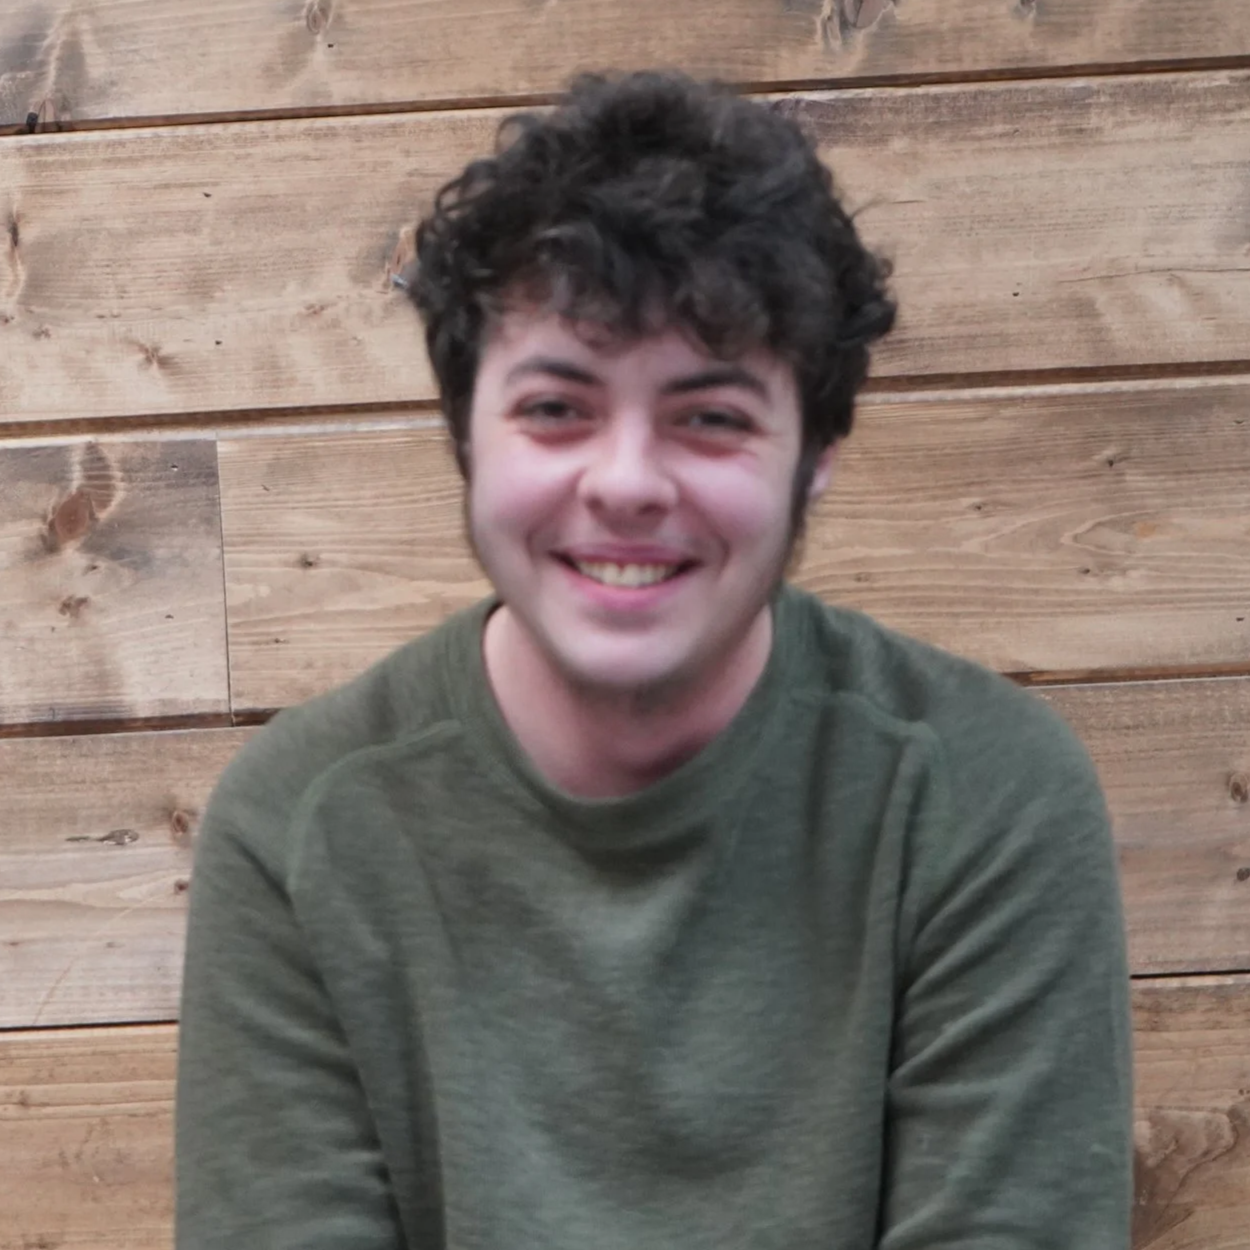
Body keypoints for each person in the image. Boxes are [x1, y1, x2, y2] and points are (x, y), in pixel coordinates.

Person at [175, 71, 1133, 1249]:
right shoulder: (299, 825)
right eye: (557, 408)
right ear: (465, 435)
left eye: (710, 415)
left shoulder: (981, 791)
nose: (625, 480)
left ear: (814, 455)